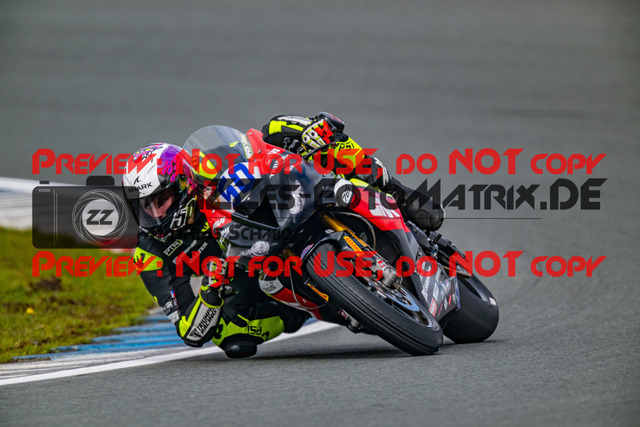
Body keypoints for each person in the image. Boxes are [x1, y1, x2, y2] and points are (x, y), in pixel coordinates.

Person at [122, 113, 444, 358]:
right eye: (144, 207)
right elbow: (191, 333)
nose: (154, 214)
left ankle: (397, 191)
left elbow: (252, 145)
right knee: (229, 335)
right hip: (248, 270)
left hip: (278, 208)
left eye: (160, 201)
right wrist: (210, 289)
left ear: (183, 184)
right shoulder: (150, 252)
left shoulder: (207, 167)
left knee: (284, 129)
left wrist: (303, 135)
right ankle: (336, 305)